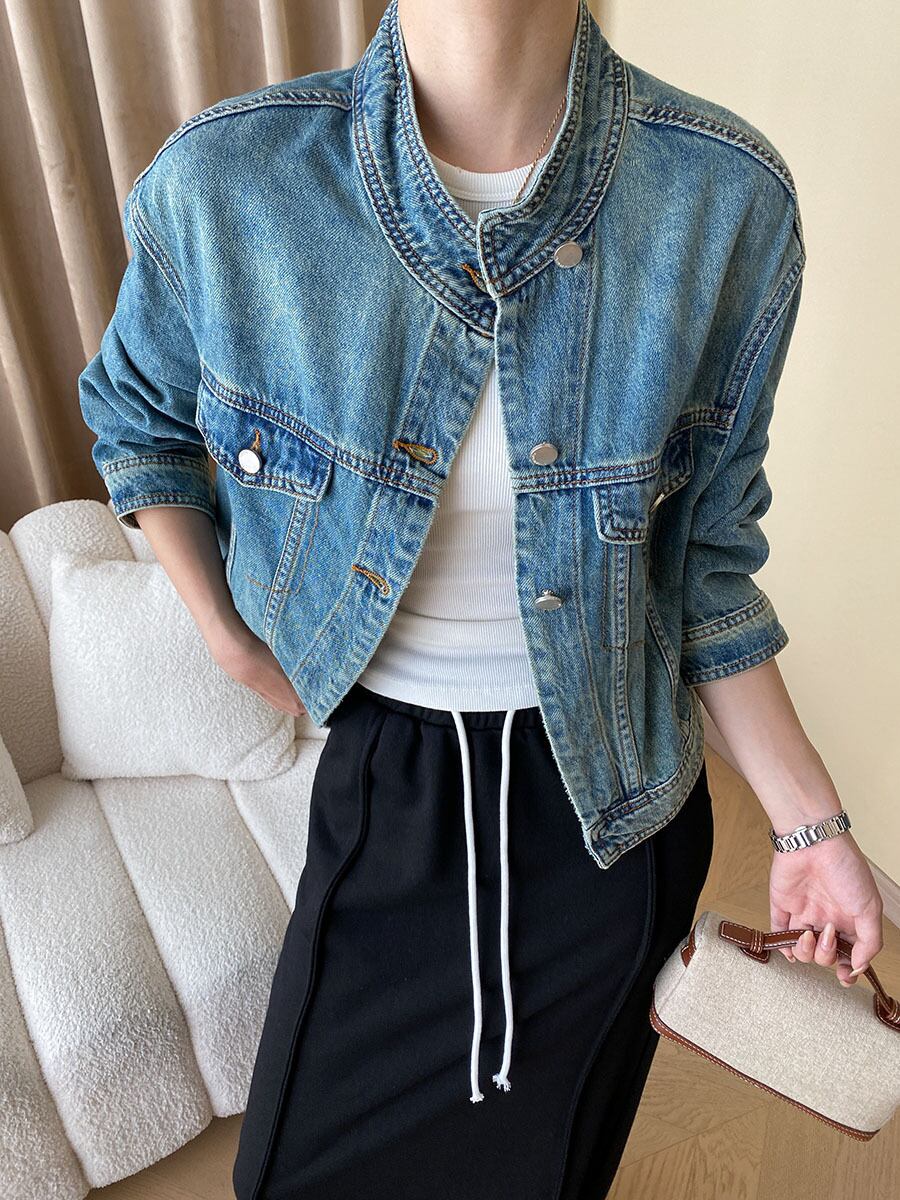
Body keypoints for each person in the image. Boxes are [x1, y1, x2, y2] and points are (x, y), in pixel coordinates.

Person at [77, 1, 885, 1196]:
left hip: (616, 817)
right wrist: (227, 636)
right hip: (387, 782)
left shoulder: (725, 198)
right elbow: (136, 420)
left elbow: (705, 565)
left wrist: (812, 828)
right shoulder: (233, 180)